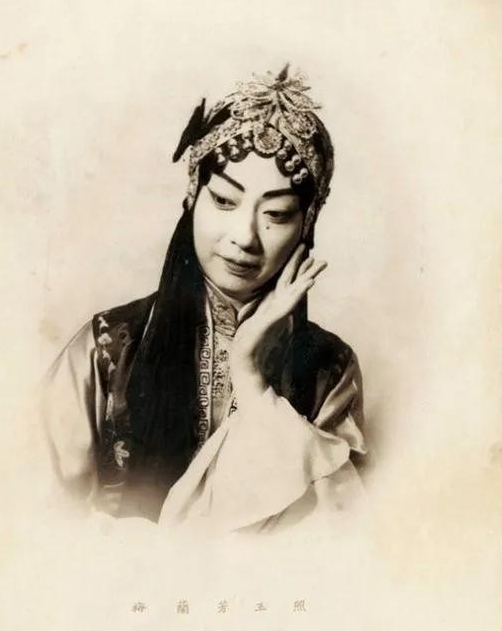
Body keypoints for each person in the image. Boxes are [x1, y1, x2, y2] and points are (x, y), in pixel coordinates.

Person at [42, 65, 367, 533]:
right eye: (224, 201)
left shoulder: (330, 370)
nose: (245, 237)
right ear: (194, 197)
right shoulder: (105, 350)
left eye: (276, 214)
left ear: (306, 225)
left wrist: (250, 379)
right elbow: (40, 526)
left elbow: (343, 534)